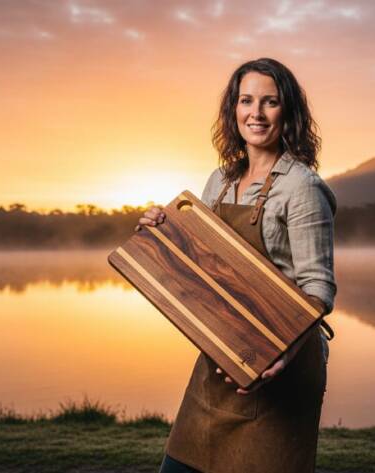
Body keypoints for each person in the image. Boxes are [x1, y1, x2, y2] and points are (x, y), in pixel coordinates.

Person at [136, 57, 337, 473]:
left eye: (270, 102)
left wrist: (279, 354)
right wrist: (163, 231)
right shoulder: (220, 181)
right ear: (233, 110)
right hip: (220, 361)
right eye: (246, 100)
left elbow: (318, 290)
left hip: (281, 364)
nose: (256, 113)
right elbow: (200, 264)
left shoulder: (302, 187)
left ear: (290, 112)